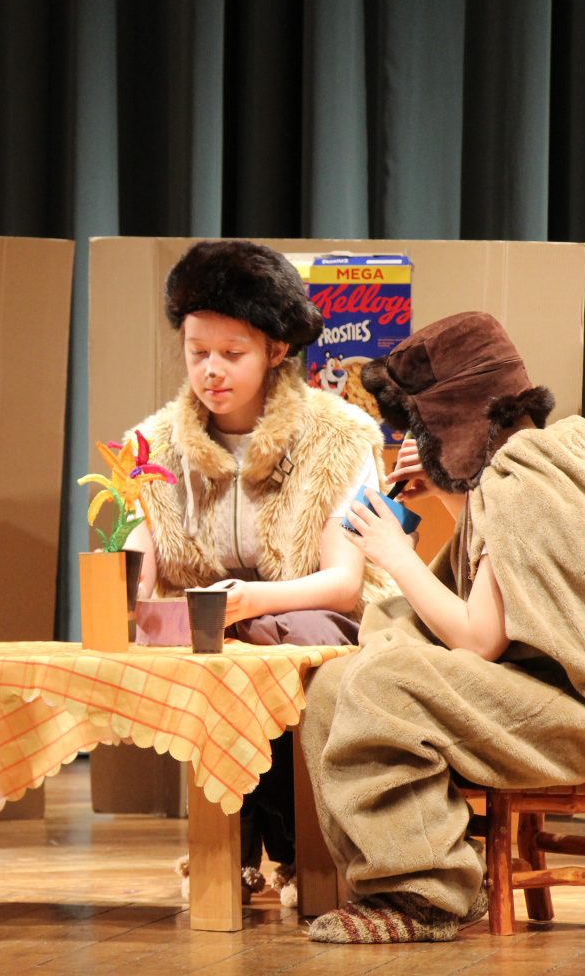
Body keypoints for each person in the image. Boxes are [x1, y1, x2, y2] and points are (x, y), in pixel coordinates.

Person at [302, 311, 585, 943]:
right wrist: (446, 489)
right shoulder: (539, 462)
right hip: (538, 697)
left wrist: (395, 554)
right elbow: (503, 573)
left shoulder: (522, 487)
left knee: (382, 684)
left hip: (578, 719)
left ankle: (428, 895)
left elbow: (480, 638)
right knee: (332, 688)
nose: (420, 440)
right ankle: (391, 884)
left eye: (424, 427)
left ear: (452, 420)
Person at [125, 239, 394, 903]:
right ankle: (232, 851)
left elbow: (343, 585)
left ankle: (299, 849)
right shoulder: (154, 444)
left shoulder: (339, 436)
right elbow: (140, 557)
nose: (211, 371)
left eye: (232, 353)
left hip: (323, 627)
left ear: (276, 350)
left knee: (273, 639)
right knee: (222, 651)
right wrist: (128, 592)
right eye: (197, 352)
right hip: (211, 634)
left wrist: (248, 603)